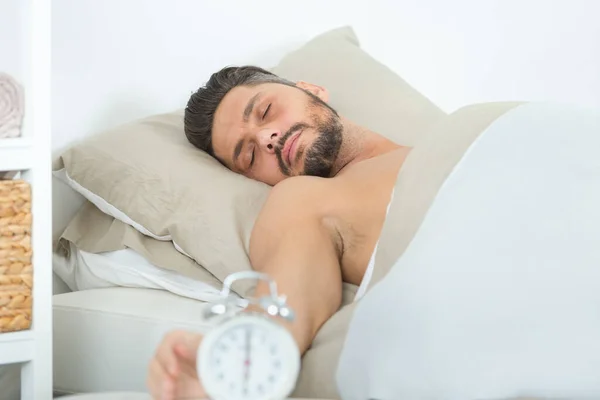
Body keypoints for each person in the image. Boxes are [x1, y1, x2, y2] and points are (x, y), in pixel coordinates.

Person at [147, 66, 412, 399]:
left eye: (265, 111)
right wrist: (232, 367)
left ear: (313, 89)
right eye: (249, 155)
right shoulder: (305, 200)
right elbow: (286, 294)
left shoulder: (442, 141)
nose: (265, 138)